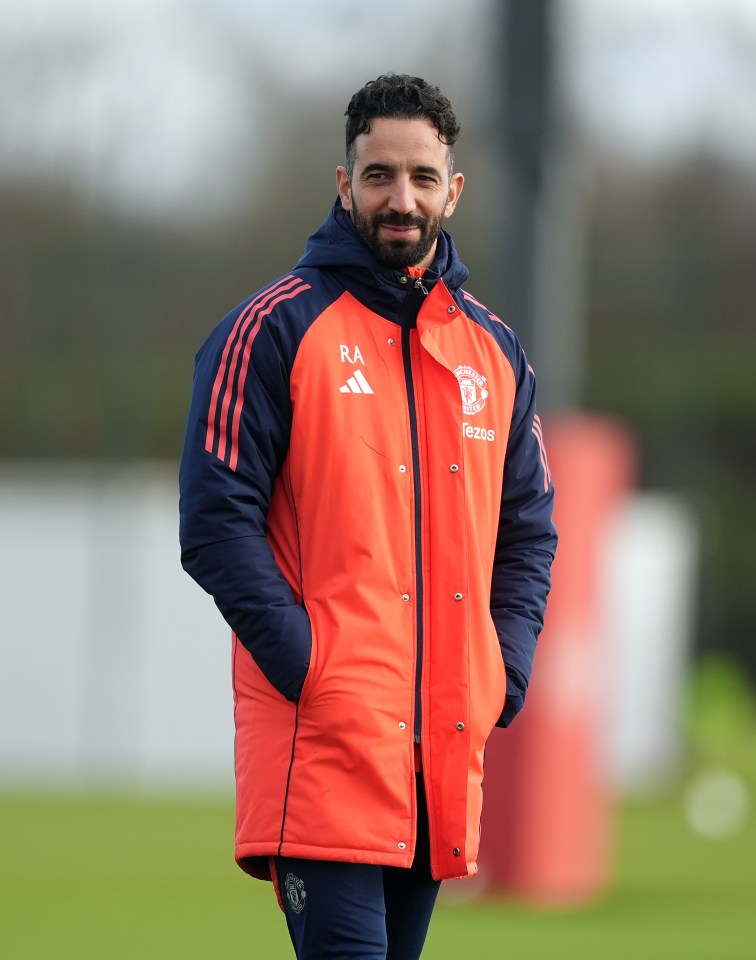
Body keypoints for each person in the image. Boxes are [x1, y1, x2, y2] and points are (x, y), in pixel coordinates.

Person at [179, 73, 557, 959]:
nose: (402, 198)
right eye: (380, 175)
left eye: (423, 178)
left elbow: (528, 529)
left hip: (437, 753)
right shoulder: (272, 329)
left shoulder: (492, 350)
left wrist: (502, 665)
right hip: (325, 748)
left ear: (452, 190)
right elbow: (214, 523)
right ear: (343, 183)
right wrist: (313, 667)